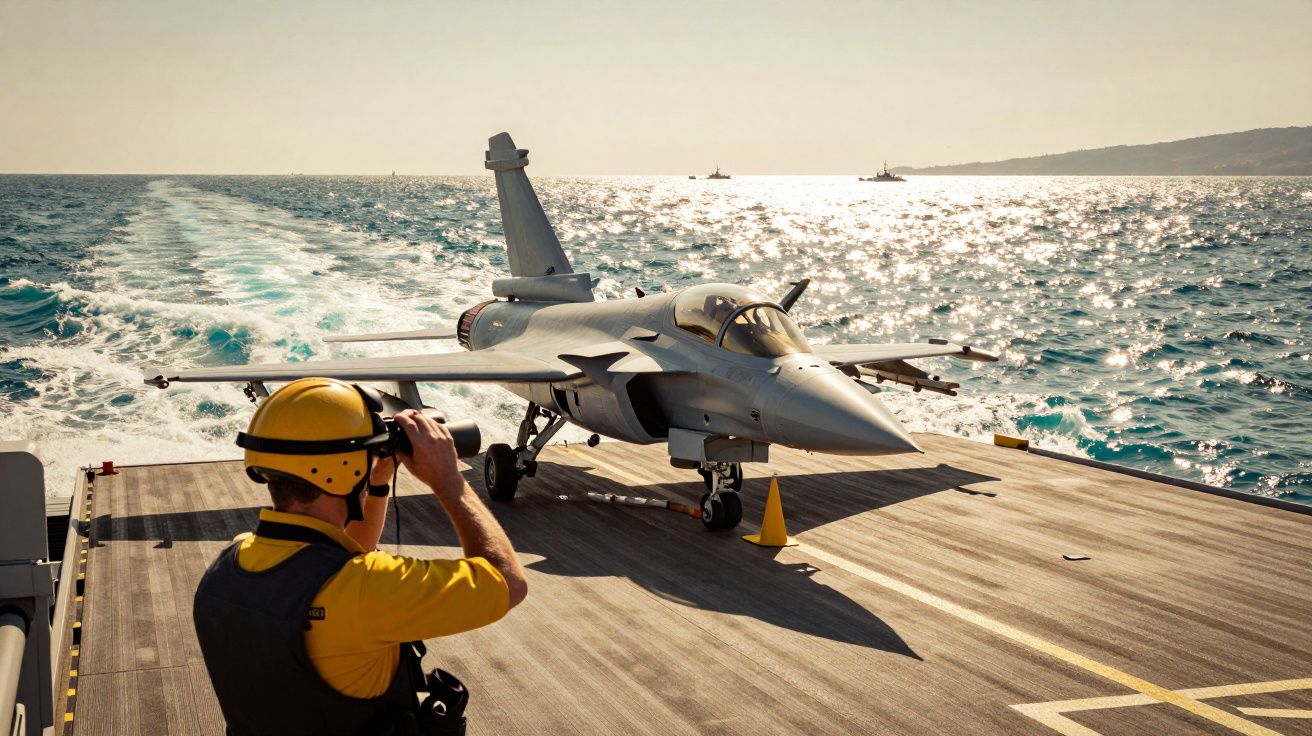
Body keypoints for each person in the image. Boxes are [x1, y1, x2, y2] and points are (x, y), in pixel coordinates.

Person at [192, 377, 527, 735]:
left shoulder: (229, 564)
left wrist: (378, 481)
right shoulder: (366, 590)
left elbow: (332, 563)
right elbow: (508, 583)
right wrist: (448, 479)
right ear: (342, 471)